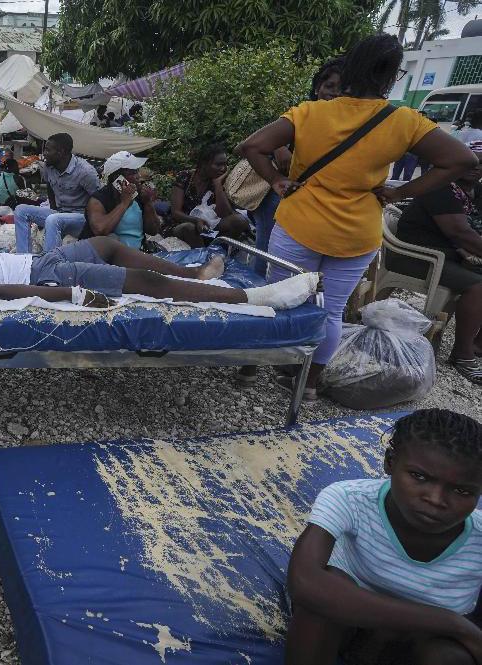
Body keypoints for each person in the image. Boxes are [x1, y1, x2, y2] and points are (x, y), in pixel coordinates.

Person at [238, 33, 476, 400]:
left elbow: (252, 146)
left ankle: (250, 368)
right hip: (357, 232)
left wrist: (276, 180)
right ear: (392, 76)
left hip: (300, 223)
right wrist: (400, 193)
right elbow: (461, 160)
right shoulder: (404, 121)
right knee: (331, 311)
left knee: (278, 299)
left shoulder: (311, 112)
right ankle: (308, 385)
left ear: (350, 67)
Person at [285, 409, 482, 665]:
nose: (436, 499)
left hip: (421, 644)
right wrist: (453, 624)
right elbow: (304, 582)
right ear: (390, 461)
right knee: (320, 601)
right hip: (345, 621)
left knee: (450, 658)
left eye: (461, 491)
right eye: (419, 476)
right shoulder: (349, 499)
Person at [0, 225, 320, 311]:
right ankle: (252, 296)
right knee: (143, 283)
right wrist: (70, 295)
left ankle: (194, 272)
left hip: (42, 259)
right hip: (45, 277)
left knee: (107, 244)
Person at [387, 144, 482, 384]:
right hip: (416, 256)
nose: (476, 167)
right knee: (477, 286)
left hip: (450, 255)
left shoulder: (474, 191)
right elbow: (460, 233)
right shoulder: (440, 187)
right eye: (471, 161)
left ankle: (476, 343)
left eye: (481, 163)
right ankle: (463, 355)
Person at [249, 57, 346, 277]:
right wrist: (279, 148)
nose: (334, 93)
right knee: (267, 251)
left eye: (341, 89)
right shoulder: (302, 114)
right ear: (317, 87)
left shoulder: (347, 124)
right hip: (277, 194)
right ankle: (256, 289)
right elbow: (252, 144)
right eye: (329, 86)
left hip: (313, 204)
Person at [12, 133, 101, 253]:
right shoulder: (49, 166)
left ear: (61, 152)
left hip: (81, 219)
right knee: (20, 210)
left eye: (48, 150)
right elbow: (49, 186)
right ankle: (23, 257)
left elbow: (99, 199)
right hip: (59, 213)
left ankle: (50, 261)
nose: (44, 154)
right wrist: (53, 208)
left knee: (53, 219)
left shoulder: (85, 172)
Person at [168, 143, 253, 248]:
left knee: (239, 221)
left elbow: (224, 214)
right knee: (189, 228)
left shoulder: (220, 182)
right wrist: (196, 220)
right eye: (218, 165)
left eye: (225, 165)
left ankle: (218, 250)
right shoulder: (185, 177)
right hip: (184, 224)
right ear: (204, 164)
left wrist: (217, 185)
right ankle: (204, 256)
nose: (223, 169)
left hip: (209, 225)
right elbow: (176, 212)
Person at [81, 151, 160, 249]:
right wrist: (124, 203)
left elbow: (153, 231)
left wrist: (148, 203)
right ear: (118, 178)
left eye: (137, 171)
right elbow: (100, 230)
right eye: (132, 172)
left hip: (138, 252)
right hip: (108, 255)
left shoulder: (138, 196)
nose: (138, 176)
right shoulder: (98, 200)